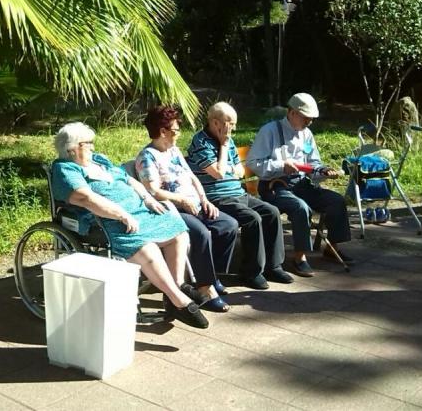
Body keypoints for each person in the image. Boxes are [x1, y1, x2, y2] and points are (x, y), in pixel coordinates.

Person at [50, 122, 209, 328]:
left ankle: (176, 287)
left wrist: (147, 198)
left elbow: (128, 180)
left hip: (138, 211)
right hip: (107, 221)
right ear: (73, 148)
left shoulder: (99, 161)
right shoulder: (65, 169)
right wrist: (122, 214)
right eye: (88, 143)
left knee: (178, 232)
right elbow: (85, 198)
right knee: (146, 246)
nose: (93, 147)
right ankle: (179, 300)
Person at [136, 105, 238, 312]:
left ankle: (213, 274)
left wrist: (204, 199)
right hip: (172, 209)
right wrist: (182, 200)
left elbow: (191, 177)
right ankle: (205, 288)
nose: (178, 135)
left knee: (228, 225)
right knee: (200, 233)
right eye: (175, 130)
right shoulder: (147, 157)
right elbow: (153, 191)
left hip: (195, 203)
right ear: (162, 131)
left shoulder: (173, 151)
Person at [185, 102, 292, 290]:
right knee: (252, 219)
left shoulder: (229, 140)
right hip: (216, 198)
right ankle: (251, 272)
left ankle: (274, 265)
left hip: (238, 193)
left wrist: (226, 162)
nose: (233, 128)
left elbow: (240, 171)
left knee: (272, 212)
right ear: (216, 123)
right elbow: (218, 173)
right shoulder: (200, 142)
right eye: (230, 123)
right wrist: (224, 148)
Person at [245, 93, 353, 277]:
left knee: (336, 200)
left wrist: (323, 171)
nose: (309, 122)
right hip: (275, 185)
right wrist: (280, 166)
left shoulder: (307, 134)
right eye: (306, 118)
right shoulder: (269, 131)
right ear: (293, 113)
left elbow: (313, 162)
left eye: (311, 119)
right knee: (300, 208)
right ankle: (299, 257)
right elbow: (254, 163)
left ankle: (331, 247)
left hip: (301, 184)